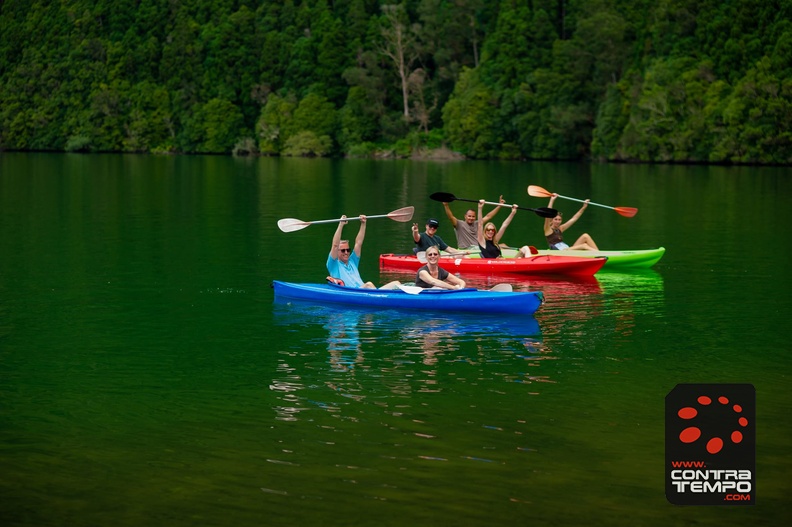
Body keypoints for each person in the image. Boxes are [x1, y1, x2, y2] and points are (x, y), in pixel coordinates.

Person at [327, 215, 401, 289]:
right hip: (355, 292)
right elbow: (335, 245)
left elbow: (358, 243)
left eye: (348, 250)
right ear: (337, 252)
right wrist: (341, 224)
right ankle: (379, 299)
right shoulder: (333, 264)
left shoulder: (352, 261)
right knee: (369, 284)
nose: (346, 252)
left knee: (396, 284)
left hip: (367, 291)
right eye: (343, 250)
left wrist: (363, 224)